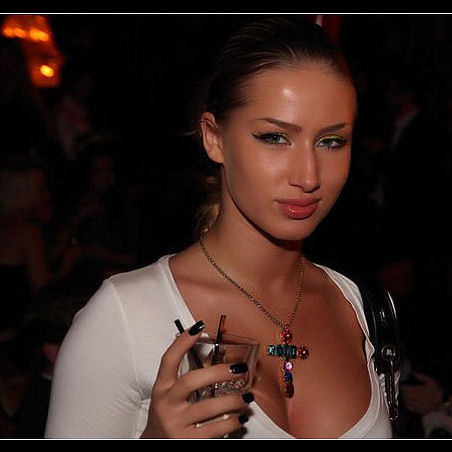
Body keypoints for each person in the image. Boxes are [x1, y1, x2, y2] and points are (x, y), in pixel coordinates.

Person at [45, 17, 399, 439]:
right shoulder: (125, 316)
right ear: (214, 138)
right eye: (274, 137)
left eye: (331, 142)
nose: (308, 175)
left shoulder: (365, 309)